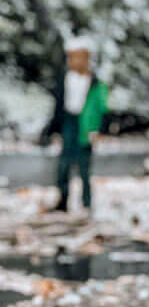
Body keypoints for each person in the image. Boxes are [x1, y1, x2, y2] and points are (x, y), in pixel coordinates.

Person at [46, 36, 108, 214]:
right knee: (63, 165)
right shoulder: (65, 78)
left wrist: (98, 130)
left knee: (84, 167)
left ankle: (86, 204)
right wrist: (55, 129)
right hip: (69, 122)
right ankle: (63, 201)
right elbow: (58, 106)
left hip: (86, 127)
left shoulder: (97, 83)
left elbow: (102, 108)